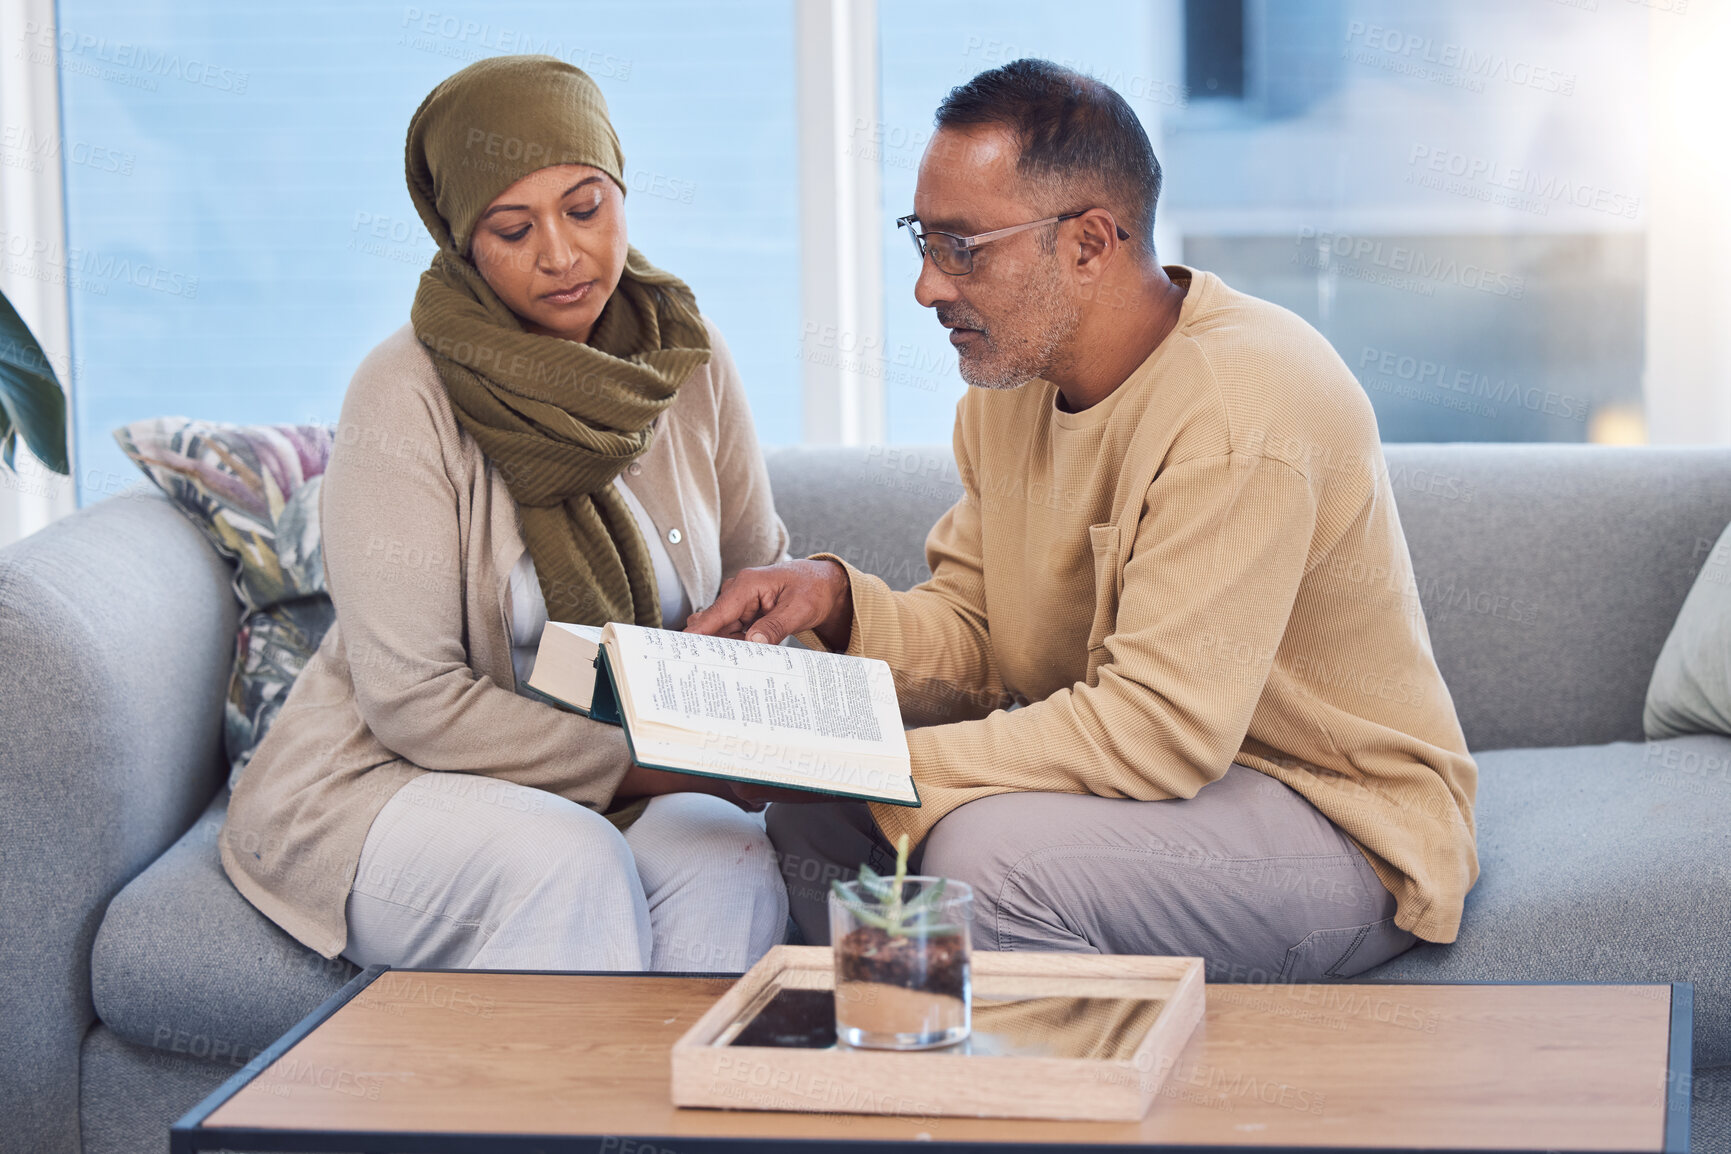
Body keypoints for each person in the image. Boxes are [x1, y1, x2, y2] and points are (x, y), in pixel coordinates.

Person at [687, 59, 1479, 982]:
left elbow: (1156, 730)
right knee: (812, 815)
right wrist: (835, 603)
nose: (927, 289)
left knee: (986, 860)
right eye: (923, 241)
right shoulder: (1010, 386)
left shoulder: (1240, 408)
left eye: (962, 247)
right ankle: (885, 1077)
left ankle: (1025, 1114)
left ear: (1091, 244)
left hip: (1333, 821)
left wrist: (876, 757)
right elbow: (986, 640)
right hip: (1169, 795)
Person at [221, 56, 788, 974]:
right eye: (513, 228)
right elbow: (411, 701)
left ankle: (673, 1118)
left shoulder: (688, 357)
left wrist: (786, 735)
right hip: (388, 779)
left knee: (732, 855)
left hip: (620, 778)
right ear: (462, 244)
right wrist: (674, 763)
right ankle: (563, 1119)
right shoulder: (403, 390)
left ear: (621, 194)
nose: (561, 254)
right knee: (566, 863)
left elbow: (760, 579)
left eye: (585, 207)